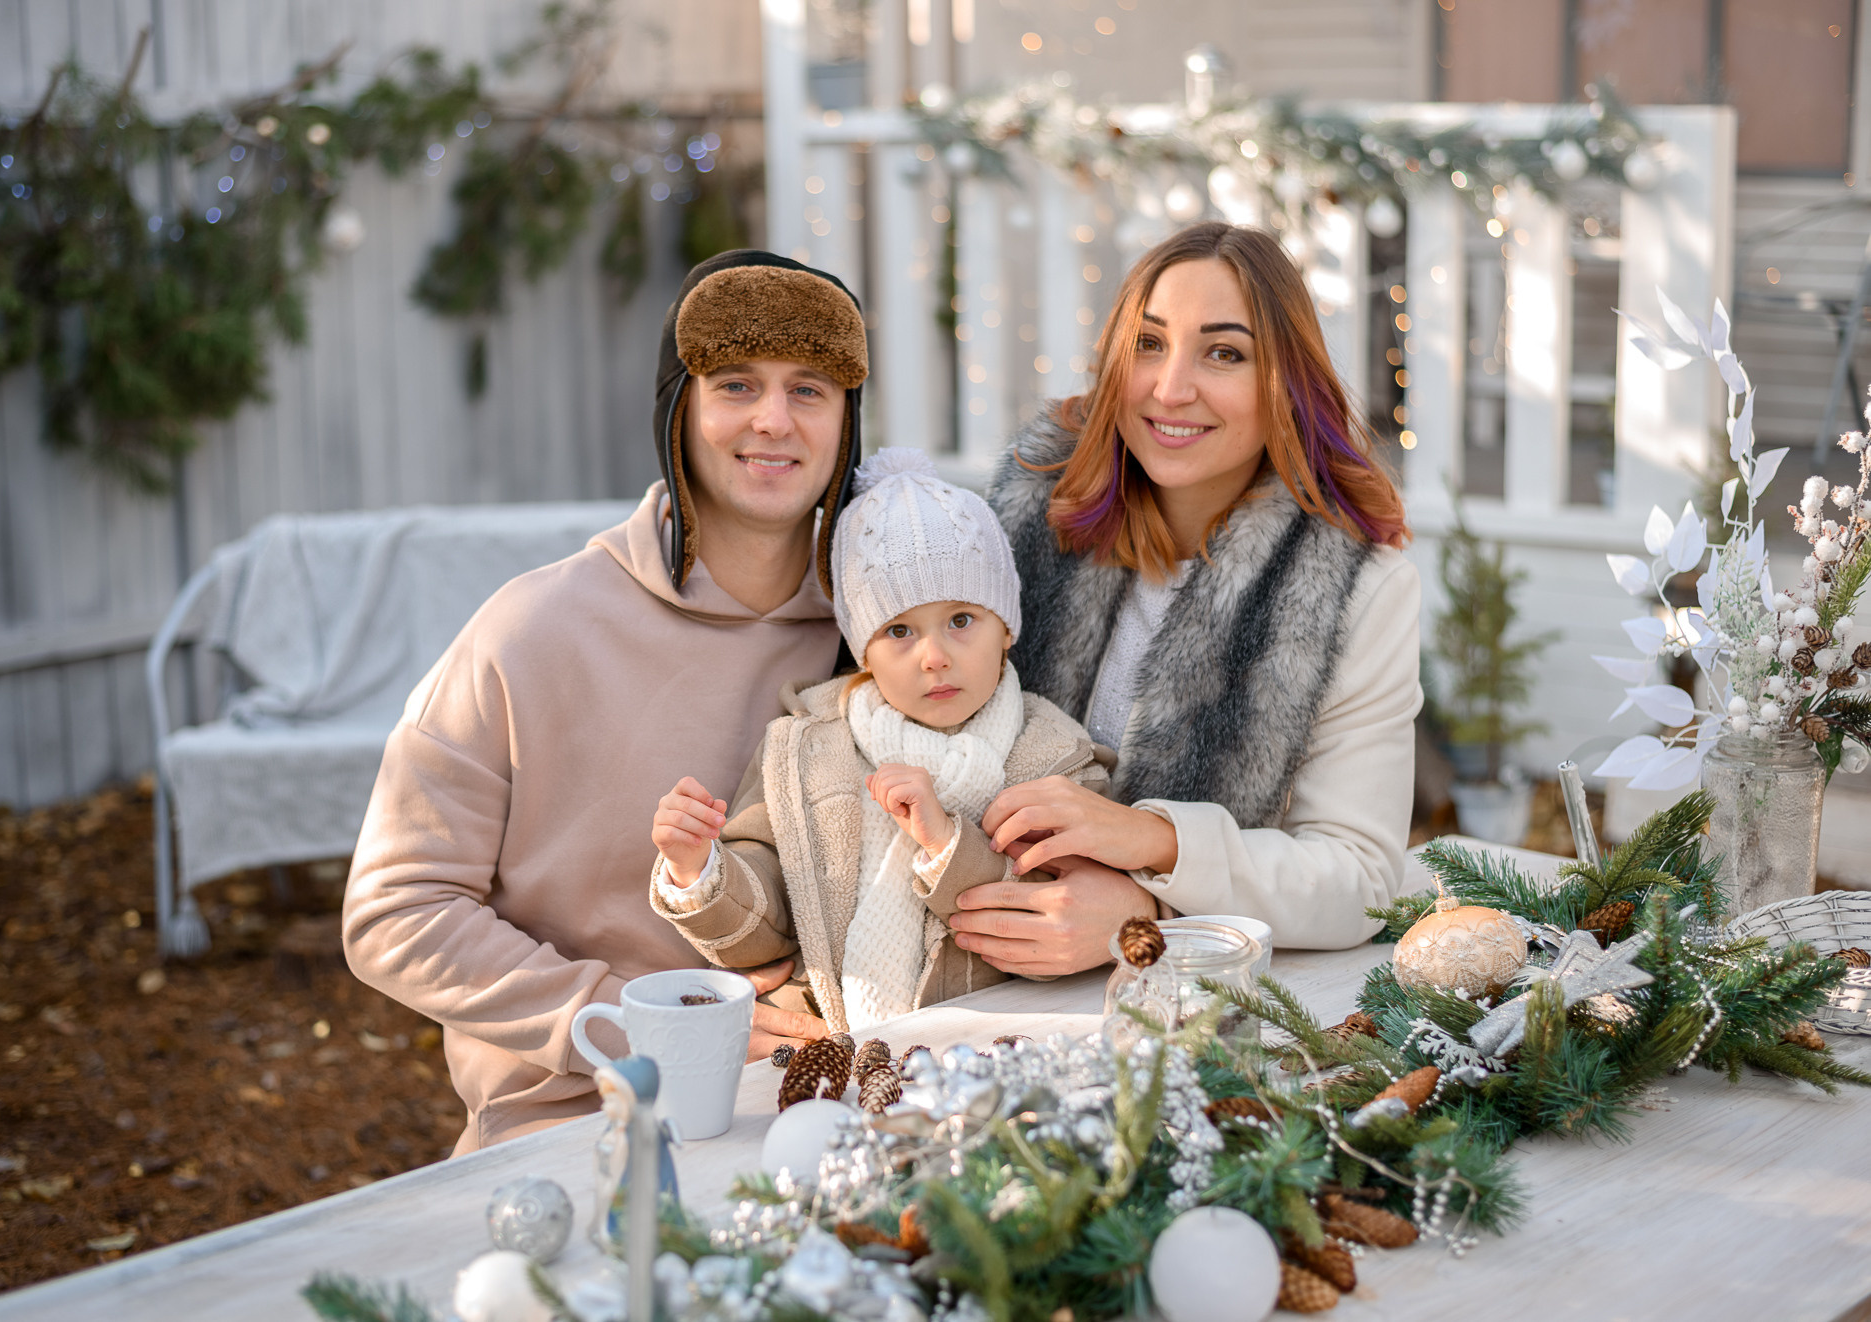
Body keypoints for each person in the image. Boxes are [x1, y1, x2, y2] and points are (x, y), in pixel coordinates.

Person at [343, 251, 874, 1154]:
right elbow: (397, 909)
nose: (773, 420)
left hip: (839, 1103)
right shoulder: (533, 630)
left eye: (811, 388)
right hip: (586, 1120)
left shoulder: (889, 635)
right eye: (737, 383)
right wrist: (637, 1022)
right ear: (678, 410)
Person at [945, 221, 1420, 973]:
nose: (1171, 389)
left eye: (1223, 353)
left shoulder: (1352, 585)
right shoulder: (1028, 510)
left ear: (1284, 385)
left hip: (1190, 1012)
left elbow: (1357, 878)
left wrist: (1154, 881)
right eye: (1150, 343)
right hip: (955, 975)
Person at [646, 450, 1110, 1034]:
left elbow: (1066, 931)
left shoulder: (1057, 759)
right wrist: (700, 872)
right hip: (831, 1063)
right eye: (899, 631)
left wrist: (946, 844)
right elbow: (765, 936)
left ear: (1006, 627)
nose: (935, 656)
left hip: (992, 1063)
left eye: (962, 619)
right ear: (863, 650)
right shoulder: (804, 751)